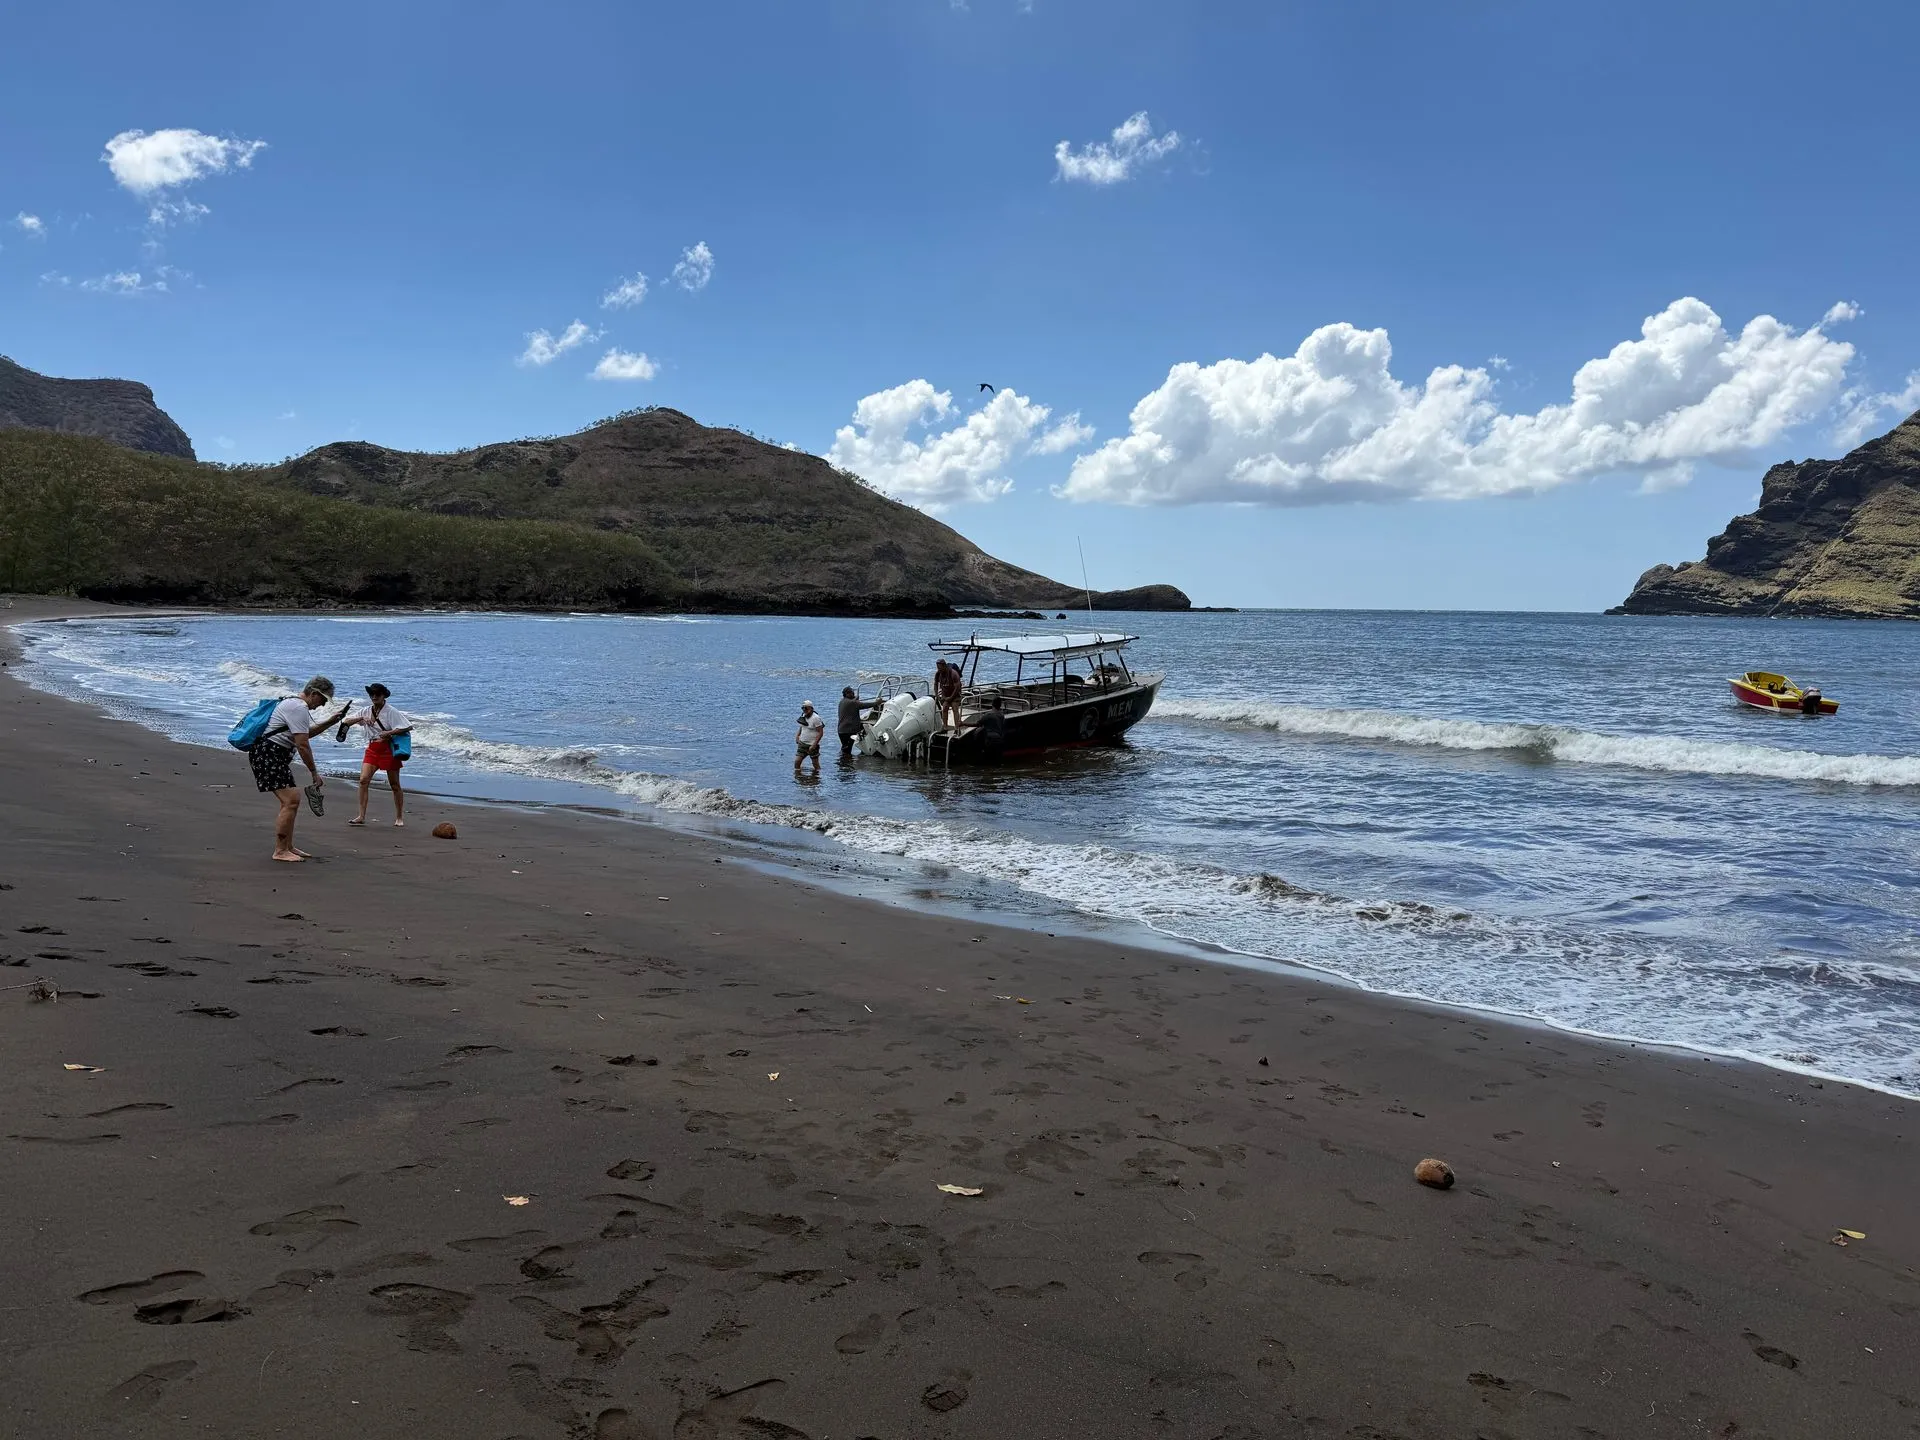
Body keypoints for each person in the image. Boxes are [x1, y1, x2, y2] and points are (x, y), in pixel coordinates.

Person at [250, 676, 345, 863]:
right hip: (269, 754)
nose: (322, 705)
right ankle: (280, 851)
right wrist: (314, 773)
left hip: (271, 754)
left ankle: (287, 846)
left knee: (291, 800)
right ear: (314, 693)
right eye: (323, 700)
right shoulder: (298, 707)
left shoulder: (293, 704)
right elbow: (302, 744)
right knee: (291, 800)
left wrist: (331, 721)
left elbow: (305, 734)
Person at [341, 682, 414, 827]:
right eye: (372, 694)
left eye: (377, 694)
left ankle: (399, 817)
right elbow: (345, 721)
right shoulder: (366, 710)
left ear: (383, 696)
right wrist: (361, 719)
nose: (374, 697)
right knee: (363, 780)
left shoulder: (391, 711)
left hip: (388, 748)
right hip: (373, 748)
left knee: (394, 784)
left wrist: (389, 732)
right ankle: (361, 816)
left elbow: (408, 726)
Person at [836, 685, 878, 758]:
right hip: (848, 730)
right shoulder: (851, 703)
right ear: (847, 694)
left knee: (845, 747)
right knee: (847, 748)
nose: (854, 694)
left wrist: (855, 699)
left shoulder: (842, 701)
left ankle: (843, 762)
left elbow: (854, 703)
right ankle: (846, 764)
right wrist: (876, 702)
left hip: (842, 730)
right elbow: (864, 705)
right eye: (852, 693)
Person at [795, 699, 826, 775]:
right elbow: (802, 726)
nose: (805, 710)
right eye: (803, 708)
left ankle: (816, 779)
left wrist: (814, 744)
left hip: (812, 745)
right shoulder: (803, 715)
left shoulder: (816, 718)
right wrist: (797, 736)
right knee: (797, 762)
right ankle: (798, 778)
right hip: (802, 743)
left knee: (815, 764)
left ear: (811, 709)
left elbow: (820, 732)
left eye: (806, 708)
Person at [933, 658, 964, 732]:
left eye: (940, 668)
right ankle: (945, 727)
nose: (939, 670)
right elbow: (935, 684)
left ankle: (957, 728)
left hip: (955, 694)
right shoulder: (938, 674)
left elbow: (957, 687)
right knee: (945, 708)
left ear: (944, 666)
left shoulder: (953, 674)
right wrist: (937, 695)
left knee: (954, 708)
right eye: (937, 668)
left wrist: (951, 697)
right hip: (946, 695)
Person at [977, 694, 1007, 759]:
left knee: (989, 758)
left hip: (990, 740)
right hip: (999, 740)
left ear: (992, 704)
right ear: (1000, 705)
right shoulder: (1001, 715)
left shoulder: (988, 715)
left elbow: (977, 724)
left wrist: (963, 724)